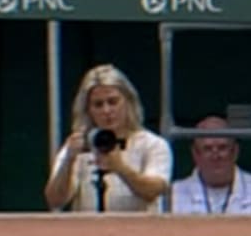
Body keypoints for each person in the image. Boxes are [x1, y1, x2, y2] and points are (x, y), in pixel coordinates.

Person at [44, 64, 172, 214]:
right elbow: (55, 200)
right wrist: (69, 161)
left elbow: (154, 191)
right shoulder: (78, 145)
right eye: (98, 105)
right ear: (88, 110)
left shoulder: (153, 145)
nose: (107, 111)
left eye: (113, 102)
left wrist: (121, 168)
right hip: (88, 232)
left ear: (128, 102)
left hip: (137, 233)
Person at [168, 116, 251, 214]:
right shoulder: (172, 195)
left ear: (235, 151)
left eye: (222, 148)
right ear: (195, 154)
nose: (216, 156)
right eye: (207, 149)